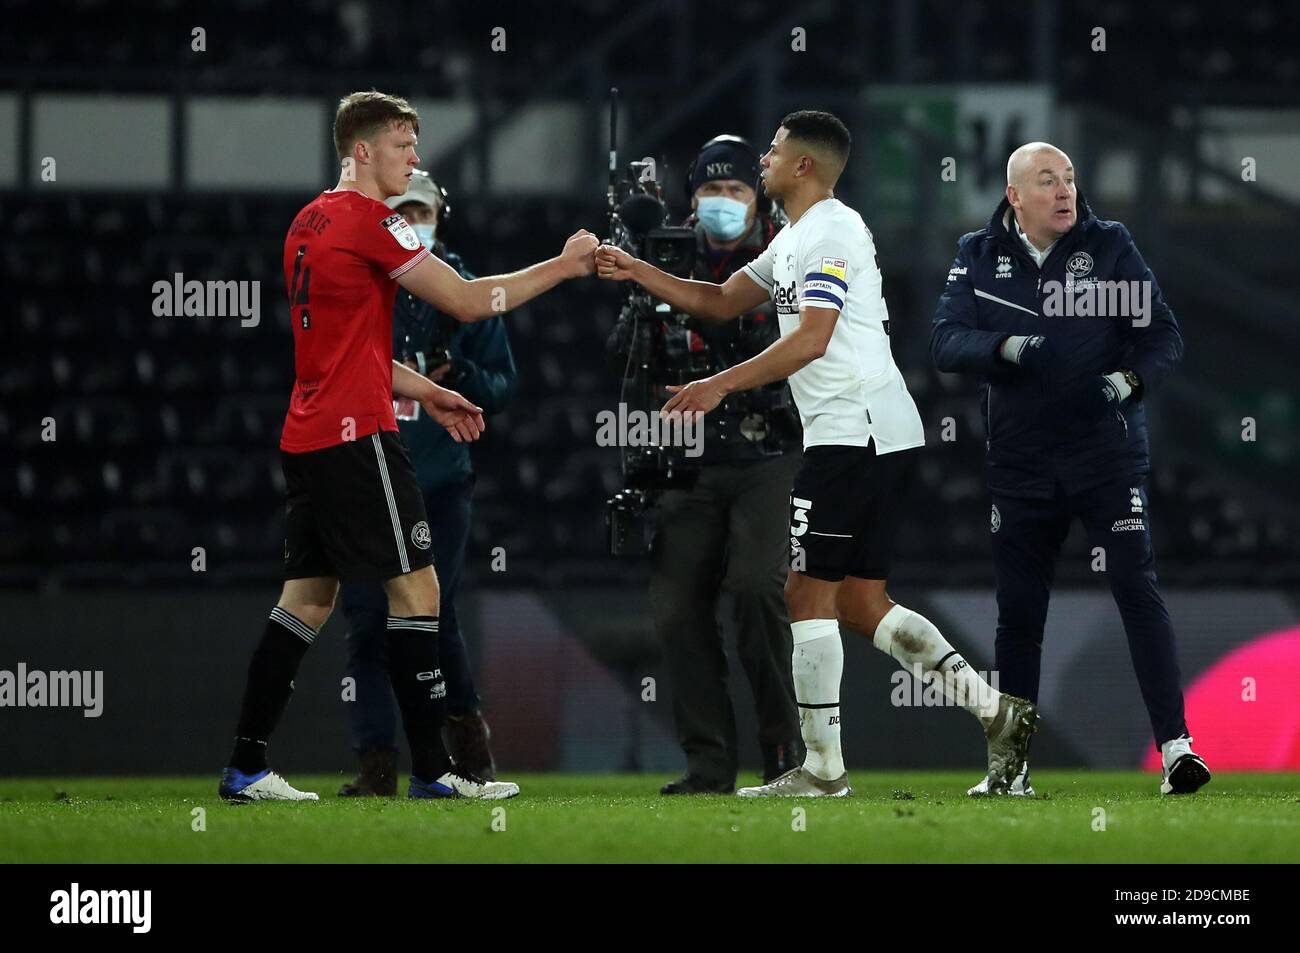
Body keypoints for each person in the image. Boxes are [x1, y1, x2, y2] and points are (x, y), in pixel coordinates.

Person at [598, 110, 1039, 797]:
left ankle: (823, 771)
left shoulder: (831, 230)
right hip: (869, 430)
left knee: (803, 592)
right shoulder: (796, 238)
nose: (763, 160)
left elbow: (812, 338)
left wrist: (717, 383)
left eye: (772, 150)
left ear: (804, 165)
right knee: (861, 602)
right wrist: (635, 270)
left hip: (854, 431)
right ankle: (996, 711)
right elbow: (717, 300)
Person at [217, 90, 597, 802]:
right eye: (402, 145)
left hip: (307, 434)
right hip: (357, 437)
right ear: (361, 151)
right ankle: (433, 771)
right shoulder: (369, 221)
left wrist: (424, 390)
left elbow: (337, 350)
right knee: (418, 591)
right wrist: (566, 265)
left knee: (305, 600)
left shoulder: (307, 221)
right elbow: (467, 301)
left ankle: (246, 766)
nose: (414, 158)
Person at [930, 141, 1211, 796]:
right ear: (1014, 197)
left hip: (1103, 456)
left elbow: (1164, 335)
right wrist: (1005, 345)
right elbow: (944, 340)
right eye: (1048, 181)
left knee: (1137, 590)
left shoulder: (1109, 246)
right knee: (1020, 612)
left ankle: (1176, 749)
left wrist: (1129, 381)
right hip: (1020, 463)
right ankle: (1013, 767)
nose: (1066, 191)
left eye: (1071, 179)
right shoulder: (978, 254)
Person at [607, 135, 803, 794]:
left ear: (758, 197)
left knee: (754, 588)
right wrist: (637, 278)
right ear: (692, 197)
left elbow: (792, 344)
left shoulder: (789, 251)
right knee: (677, 612)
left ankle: (785, 755)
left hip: (766, 445)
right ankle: (709, 765)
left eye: (736, 190)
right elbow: (623, 357)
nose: (723, 202)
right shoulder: (660, 251)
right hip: (684, 456)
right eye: (711, 191)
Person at [337, 170, 517, 796]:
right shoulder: (361, 275)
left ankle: (466, 754)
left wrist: (458, 371)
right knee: (365, 622)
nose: (413, 221)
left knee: (433, 619)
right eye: (402, 210)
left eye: (423, 211)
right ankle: (376, 767)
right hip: (367, 468)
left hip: (438, 479)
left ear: (441, 215)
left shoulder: (462, 288)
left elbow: (502, 384)